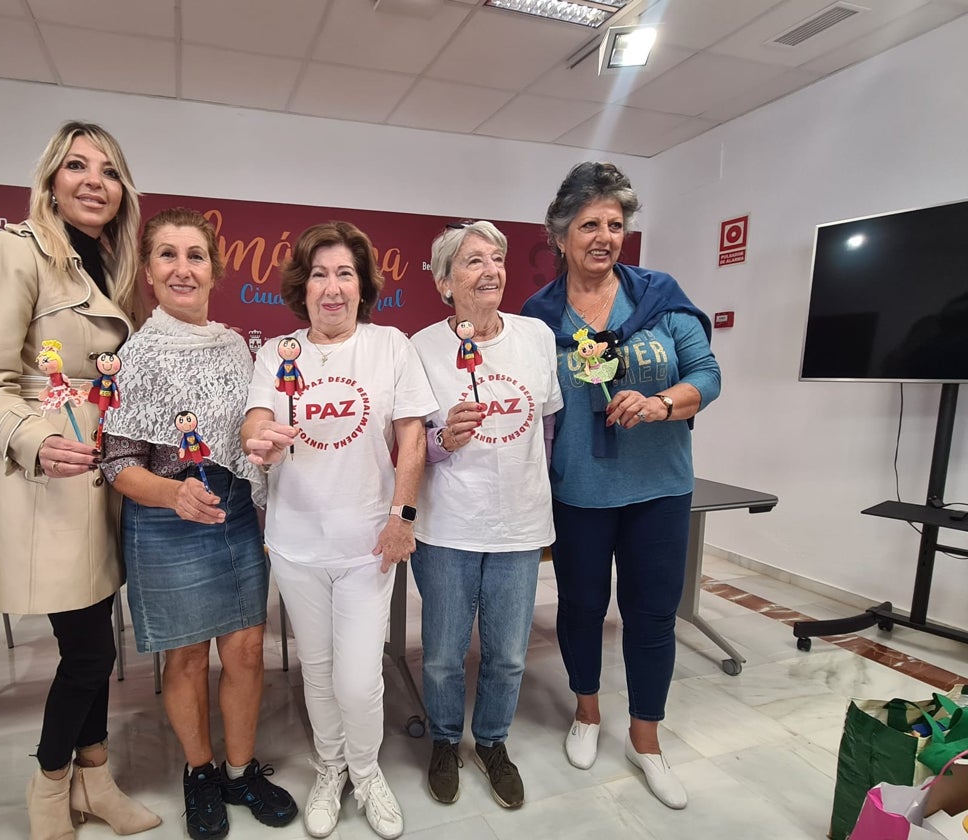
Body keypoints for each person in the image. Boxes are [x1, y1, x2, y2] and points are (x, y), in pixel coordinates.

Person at [0, 121, 160, 840]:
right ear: (50, 178)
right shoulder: (11, 252)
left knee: (101, 639)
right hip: (45, 479)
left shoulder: (111, 268)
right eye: (76, 166)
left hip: (102, 479)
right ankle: (51, 786)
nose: (93, 181)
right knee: (91, 652)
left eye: (108, 170)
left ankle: (95, 781)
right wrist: (38, 442)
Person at [520, 162, 721, 810]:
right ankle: (586, 713)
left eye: (615, 223)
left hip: (659, 489)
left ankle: (646, 738)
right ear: (561, 234)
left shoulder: (660, 296)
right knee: (580, 610)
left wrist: (661, 403)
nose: (605, 235)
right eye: (589, 224)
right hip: (579, 490)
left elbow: (706, 374)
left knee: (652, 615)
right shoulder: (539, 315)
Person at [99, 208, 298, 840]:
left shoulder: (237, 346)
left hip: (234, 510)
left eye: (195, 256)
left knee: (243, 650)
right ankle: (200, 772)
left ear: (214, 269)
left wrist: (265, 443)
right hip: (165, 519)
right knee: (185, 658)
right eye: (168, 255)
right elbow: (117, 463)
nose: (183, 269)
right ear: (149, 273)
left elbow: (245, 432)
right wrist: (171, 494)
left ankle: (241, 771)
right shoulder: (134, 354)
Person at [241, 221, 437, 840]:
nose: (332, 287)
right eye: (320, 274)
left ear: (362, 286)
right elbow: (257, 419)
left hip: (366, 546)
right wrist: (259, 440)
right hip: (296, 544)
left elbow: (412, 439)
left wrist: (403, 516)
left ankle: (367, 769)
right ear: (303, 287)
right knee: (319, 669)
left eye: (345, 273)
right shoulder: (278, 352)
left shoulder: (390, 347)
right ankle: (330, 768)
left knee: (358, 676)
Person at [408, 221, 562, 810]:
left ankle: (493, 742)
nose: (491, 270)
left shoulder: (536, 337)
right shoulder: (421, 347)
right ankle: (445, 739)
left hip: (519, 525)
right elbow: (416, 440)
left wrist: (535, 488)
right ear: (446, 282)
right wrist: (446, 438)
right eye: (473, 261)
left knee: (510, 653)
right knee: (445, 653)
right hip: (447, 524)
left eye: (496, 259)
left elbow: (545, 425)